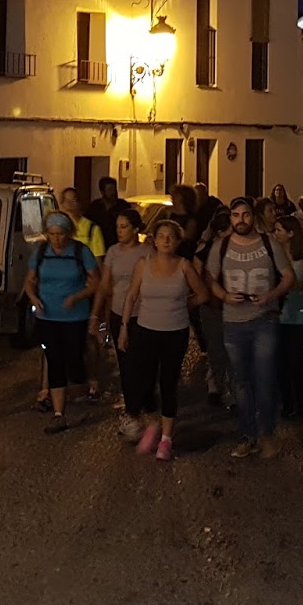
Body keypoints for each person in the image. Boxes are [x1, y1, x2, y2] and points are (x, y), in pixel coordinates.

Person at [204, 197, 294, 459]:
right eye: (235, 215)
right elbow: (210, 277)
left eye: (245, 215)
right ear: (229, 218)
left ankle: (266, 434)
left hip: (264, 319)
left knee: (264, 378)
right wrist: (223, 296)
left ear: (252, 217)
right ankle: (247, 435)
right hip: (233, 321)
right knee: (240, 382)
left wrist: (272, 294)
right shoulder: (221, 246)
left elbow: (289, 276)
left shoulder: (269, 244)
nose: (240, 220)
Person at [120, 220, 211, 461]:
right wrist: (124, 328)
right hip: (146, 330)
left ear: (177, 241)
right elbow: (131, 295)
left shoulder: (184, 266)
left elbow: (202, 294)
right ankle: (152, 424)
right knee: (145, 383)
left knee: (169, 383)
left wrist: (183, 304)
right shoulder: (144, 264)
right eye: (161, 236)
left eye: (171, 236)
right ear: (154, 240)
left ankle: (166, 439)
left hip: (175, 332)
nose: (166, 240)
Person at [22, 211, 100, 434]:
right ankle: (58, 413)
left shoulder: (80, 251)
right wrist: (34, 297)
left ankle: (81, 387)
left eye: (60, 234)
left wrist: (78, 297)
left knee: (73, 357)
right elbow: (29, 280)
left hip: (75, 316)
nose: (56, 239)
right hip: (48, 316)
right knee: (54, 359)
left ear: (68, 233)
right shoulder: (40, 252)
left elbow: (96, 281)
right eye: (52, 234)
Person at [93, 205, 151, 440]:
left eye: (124, 226)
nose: (119, 231)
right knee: (126, 363)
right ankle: (132, 410)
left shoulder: (146, 252)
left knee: (144, 363)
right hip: (119, 314)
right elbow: (105, 285)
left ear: (135, 229)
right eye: (117, 226)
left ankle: (147, 404)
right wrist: (97, 316)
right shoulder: (113, 252)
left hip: (143, 314)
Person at [59, 187, 106, 400]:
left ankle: (93, 380)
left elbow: (98, 264)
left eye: (74, 200)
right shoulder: (56, 229)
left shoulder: (90, 230)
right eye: (66, 201)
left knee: (89, 336)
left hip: (86, 292)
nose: (70, 205)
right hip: (62, 291)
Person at [275, 213, 303, 420]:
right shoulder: (275, 257)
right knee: (281, 361)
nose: (275, 233)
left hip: (299, 314)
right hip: (278, 314)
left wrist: (301, 286)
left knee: (295, 361)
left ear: (291, 234)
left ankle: (299, 402)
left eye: (279, 230)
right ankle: (286, 402)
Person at [193, 208, 235, 407]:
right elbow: (196, 278)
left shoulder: (238, 249)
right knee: (216, 348)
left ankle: (225, 386)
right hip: (213, 306)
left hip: (232, 304)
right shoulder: (205, 251)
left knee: (231, 349)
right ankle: (216, 386)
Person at [85, 176, 131, 251]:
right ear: (102, 191)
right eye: (109, 190)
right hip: (99, 246)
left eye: (114, 189)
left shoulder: (123, 206)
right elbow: (87, 224)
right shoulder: (95, 206)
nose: (113, 192)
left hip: (119, 246)